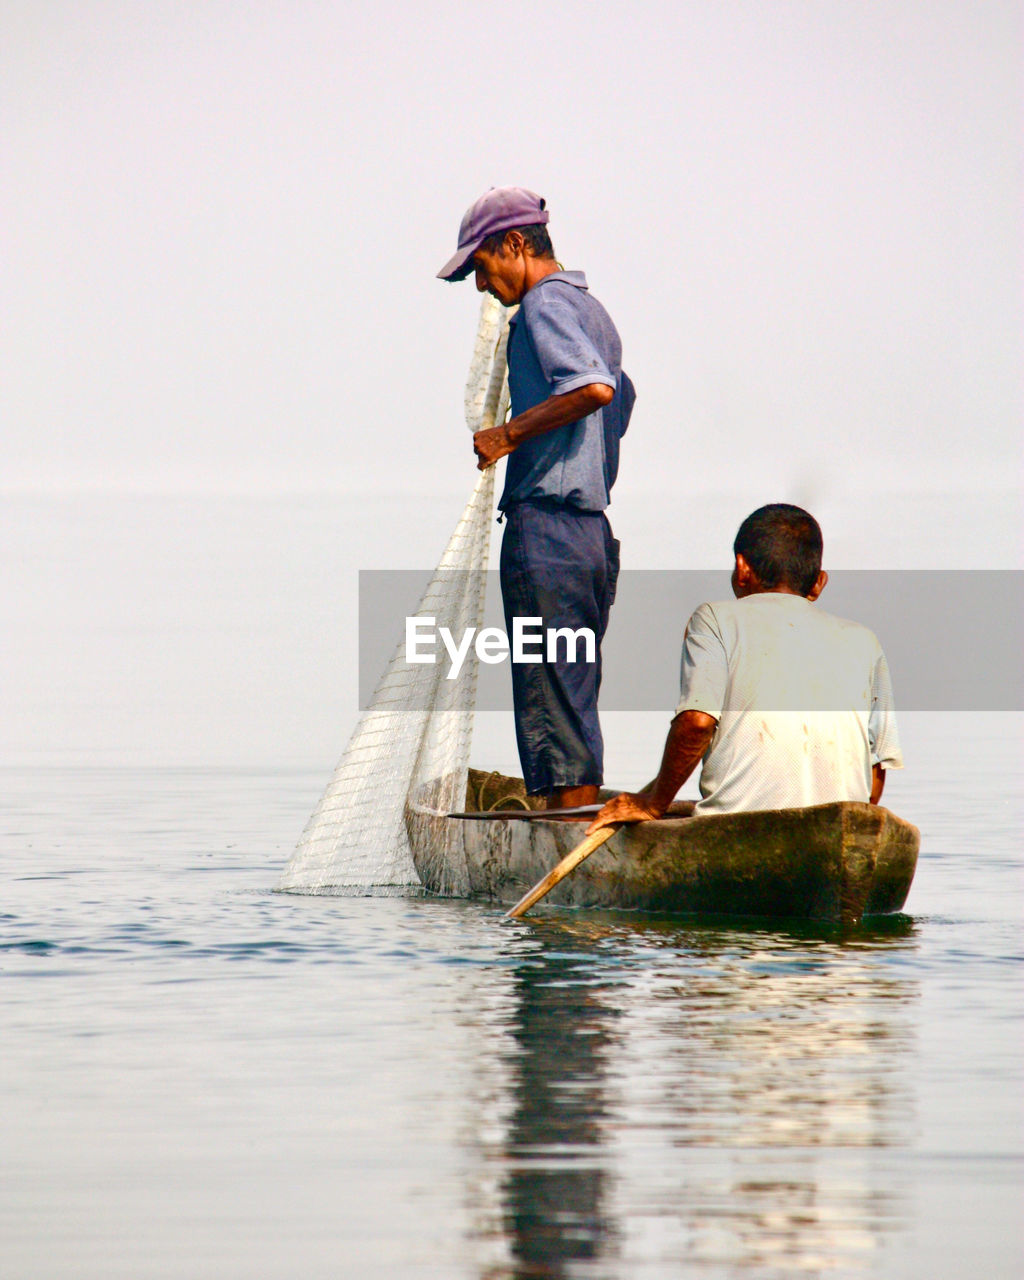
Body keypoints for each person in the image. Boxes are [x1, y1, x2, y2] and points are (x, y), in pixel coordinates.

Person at [438, 186, 635, 809]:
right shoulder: (591, 309)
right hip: (590, 536)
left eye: (481, 266)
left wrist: (510, 433)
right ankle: (574, 818)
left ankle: (564, 832)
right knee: (572, 691)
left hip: (547, 532)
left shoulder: (545, 306)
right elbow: (623, 401)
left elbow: (596, 390)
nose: (480, 286)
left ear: (516, 245)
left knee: (551, 699)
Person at [587, 503, 903, 833]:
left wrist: (653, 805)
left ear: (742, 568)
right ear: (818, 583)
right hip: (839, 830)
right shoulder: (866, 642)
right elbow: (873, 781)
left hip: (737, 829)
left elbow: (697, 723)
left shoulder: (713, 619)